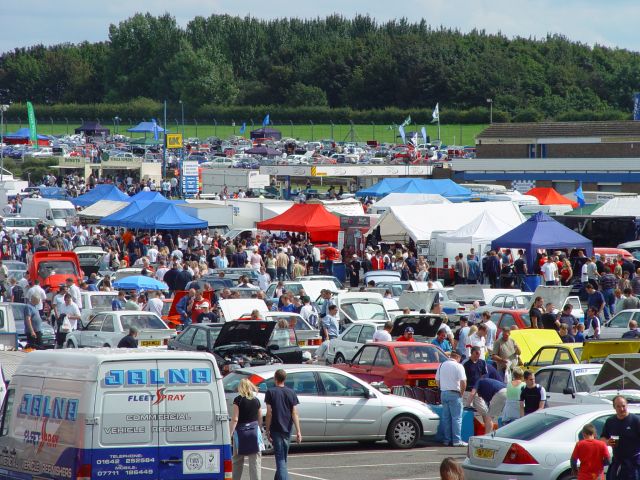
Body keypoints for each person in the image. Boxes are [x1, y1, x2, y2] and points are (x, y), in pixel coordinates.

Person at [265, 369, 302, 480]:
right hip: (288, 428)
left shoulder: (270, 392)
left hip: (276, 428)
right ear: (284, 379)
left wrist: (267, 430)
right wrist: (299, 431)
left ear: (275, 378)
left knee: (280, 458)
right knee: (283, 458)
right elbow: (294, 412)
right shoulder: (291, 392)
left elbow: (269, 413)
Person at [230, 378, 263, 480]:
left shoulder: (237, 400)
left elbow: (235, 419)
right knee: (255, 462)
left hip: (240, 433)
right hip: (254, 432)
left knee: (237, 461)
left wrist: (229, 434)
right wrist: (259, 429)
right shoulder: (256, 401)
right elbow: (260, 418)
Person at [601, 395, 640, 480]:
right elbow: (603, 438)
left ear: (627, 405)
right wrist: (607, 442)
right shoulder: (610, 421)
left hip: (633, 463)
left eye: (623, 406)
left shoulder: (636, 421)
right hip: (617, 462)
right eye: (618, 406)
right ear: (614, 407)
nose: (621, 409)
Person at [435, 351, 467, 447]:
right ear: (457, 357)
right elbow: (463, 382)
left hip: (443, 393)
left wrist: (442, 387)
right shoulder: (458, 366)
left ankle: (446, 440)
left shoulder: (441, 365)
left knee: (446, 418)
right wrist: (461, 393)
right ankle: (457, 440)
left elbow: (437, 380)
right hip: (454, 393)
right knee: (456, 418)